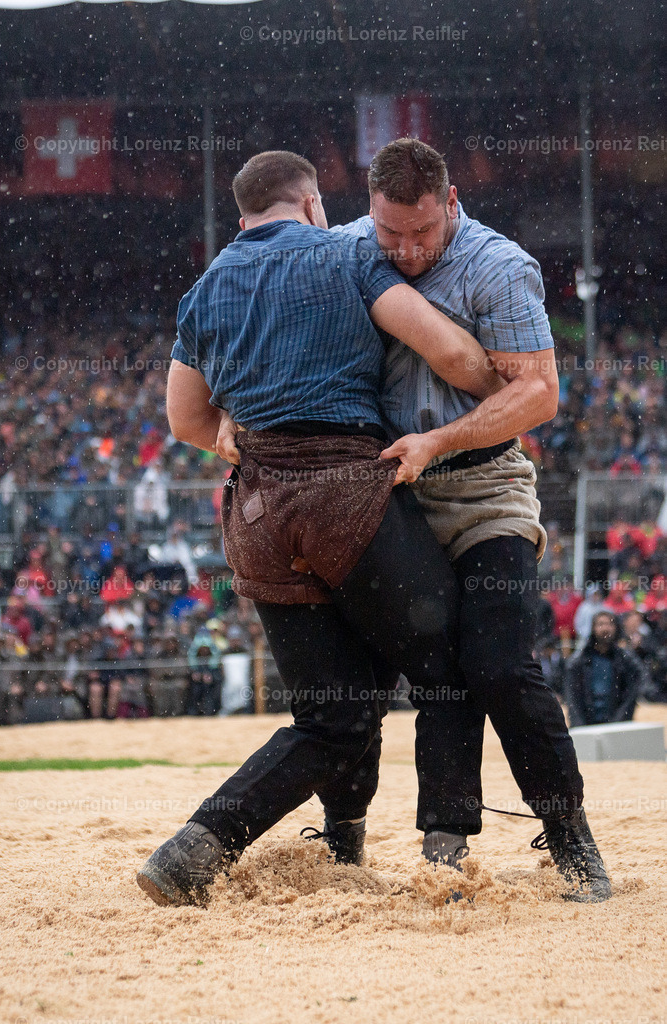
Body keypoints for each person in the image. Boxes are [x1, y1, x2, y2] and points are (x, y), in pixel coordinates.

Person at [137, 148, 506, 907]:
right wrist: (503, 388)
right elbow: (448, 350)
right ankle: (444, 852)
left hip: (258, 511)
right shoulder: (345, 255)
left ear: (243, 217)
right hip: (348, 496)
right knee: (445, 666)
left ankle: (211, 846)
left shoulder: (204, 290)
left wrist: (232, 439)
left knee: (334, 708)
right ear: (311, 205)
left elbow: (185, 420)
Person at [301, 138, 609, 897]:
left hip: (484, 487)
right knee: (389, 677)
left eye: (422, 234)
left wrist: (439, 439)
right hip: (384, 492)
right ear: (366, 213)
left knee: (499, 665)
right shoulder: (342, 251)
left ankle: (570, 837)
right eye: (388, 234)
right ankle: (411, 842)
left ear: (452, 206)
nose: (405, 251)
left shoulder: (499, 266)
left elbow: (538, 394)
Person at [564, 611, 642, 726]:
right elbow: (572, 698)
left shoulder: (625, 660)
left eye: (610, 624)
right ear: (593, 628)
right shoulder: (578, 661)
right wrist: (579, 726)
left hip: (616, 723)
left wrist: (619, 722)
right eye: (601, 624)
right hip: (586, 723)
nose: (605, 628)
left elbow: (630, 695)